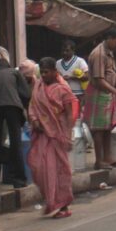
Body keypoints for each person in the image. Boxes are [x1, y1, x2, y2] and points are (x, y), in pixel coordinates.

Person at [29, 57, 80, 219]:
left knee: (58, 171)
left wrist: (67, 132)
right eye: (41, 72)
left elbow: (70, 112)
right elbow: (32, 107)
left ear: (54, 72)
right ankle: (51, 201)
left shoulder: (62, 89)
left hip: (58, 135)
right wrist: (36, 120)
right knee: (38, 167)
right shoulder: (38, 86)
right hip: (42, 135)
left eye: (46, 72)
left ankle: (62, 205)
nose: (43, 75)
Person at [85, 27, 116, 170]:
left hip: (107, 94)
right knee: (99, 129)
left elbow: (109, 73)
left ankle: (107, 157)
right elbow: (99, 80)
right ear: (109, 38)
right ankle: (99, 161)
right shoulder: (99, 54)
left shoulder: (109, 52)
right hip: (98, 94)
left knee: (108, 127)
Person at [0, 58, 31, 187]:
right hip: (13, 107)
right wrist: (25, 110)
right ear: (9, 66)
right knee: (16, 143)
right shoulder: (15, 73)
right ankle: (19, 180)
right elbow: (26, 94)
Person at [56, 39, 89, 106]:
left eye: (67, 51)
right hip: (62, 95)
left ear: (73, 51)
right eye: (63, 50)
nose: (64, 53)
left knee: (76, 115)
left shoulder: (80, 61)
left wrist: (71, 77)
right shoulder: (58, 63)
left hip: (77, 94)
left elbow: (87, 77)